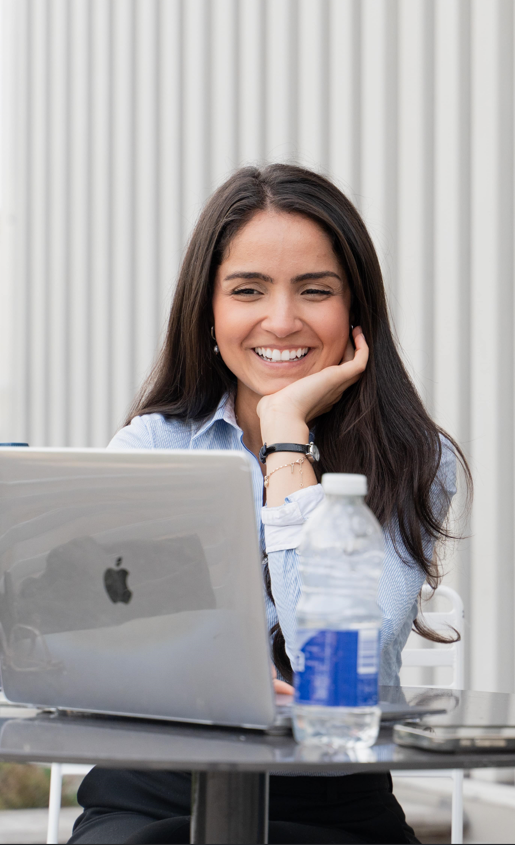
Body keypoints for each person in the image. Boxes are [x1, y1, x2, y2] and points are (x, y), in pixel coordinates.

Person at [70, 163, 468, 845]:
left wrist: (288, 443)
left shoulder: (414, 459)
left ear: (355, 311)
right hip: (152, 792)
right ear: (210, 310)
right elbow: (99, 642)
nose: (281, 320)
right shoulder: (151, 445)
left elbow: (340, 661)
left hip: (333, 800)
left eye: (314, 291)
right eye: (248, 290)